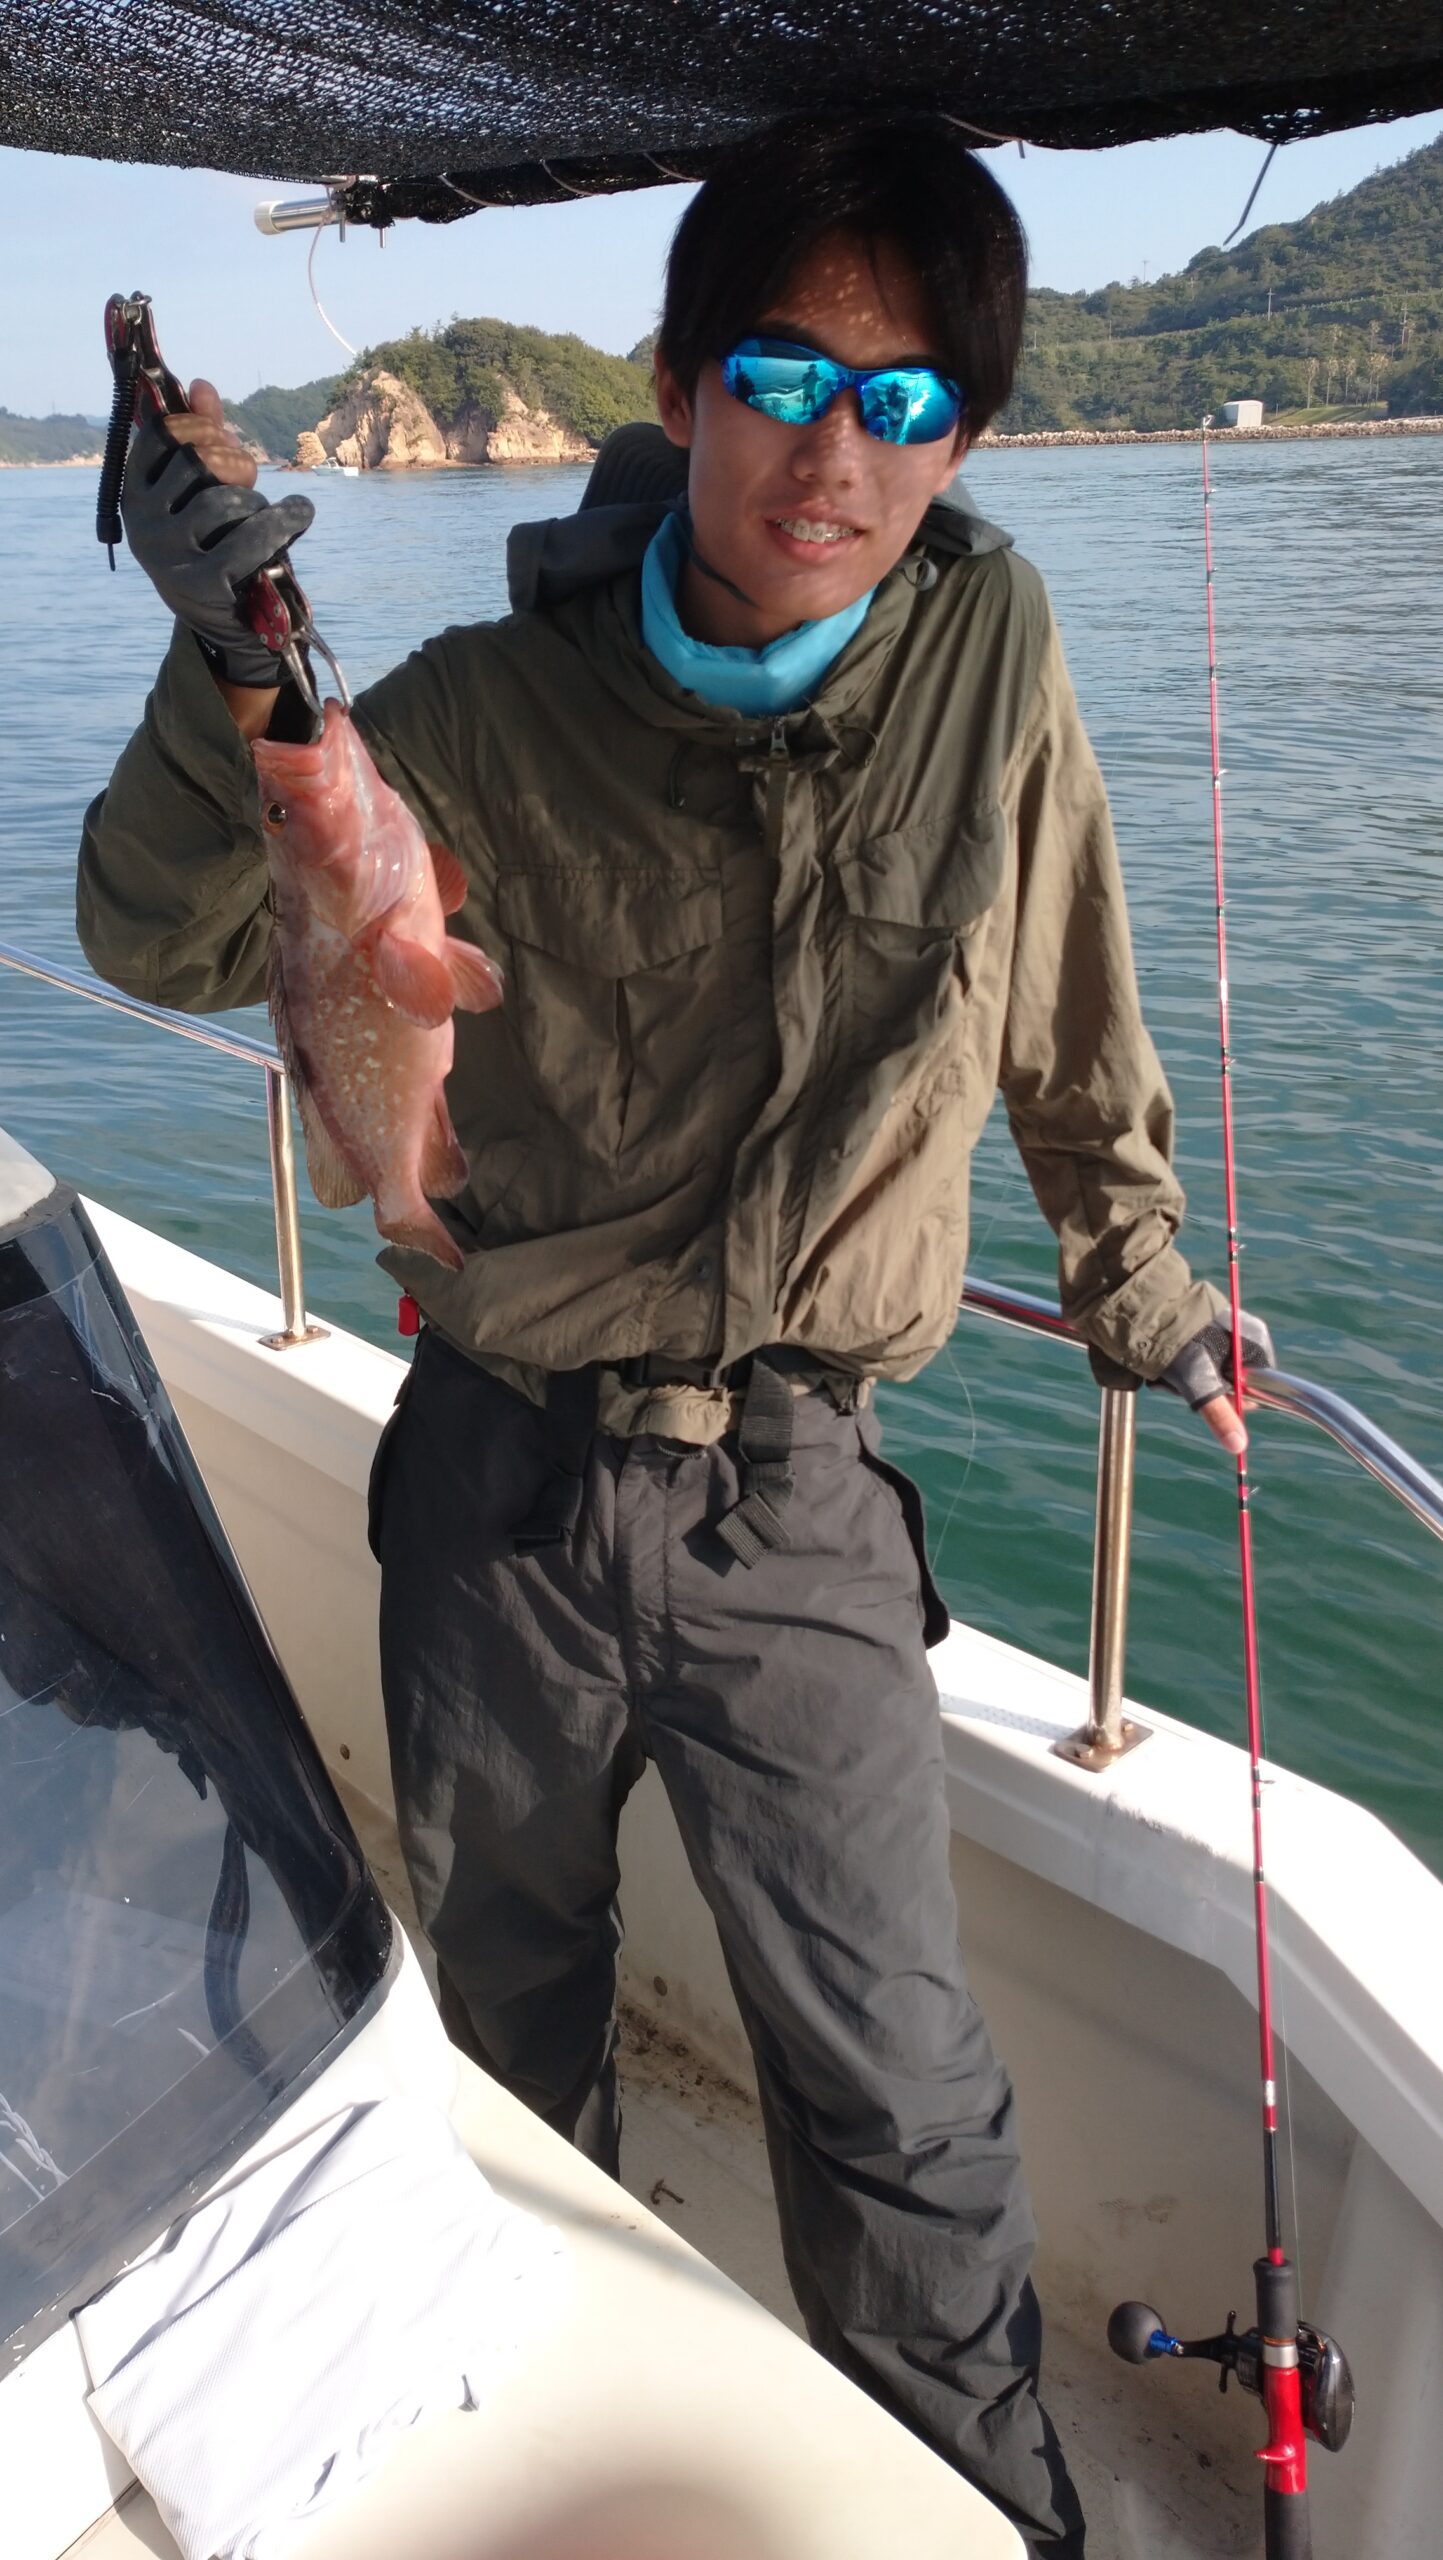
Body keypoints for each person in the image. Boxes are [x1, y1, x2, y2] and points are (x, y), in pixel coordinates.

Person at [77, 116, 1273, 2560]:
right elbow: (158, 939)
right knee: (503, 2021)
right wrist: (229, 670)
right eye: (782, 375)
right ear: (677, 381)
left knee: (896, 2089)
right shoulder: (474, 712)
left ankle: (987, 2512)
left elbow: (1066, 998)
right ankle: (542, 2473)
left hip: (794, 1505)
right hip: (495, 1475)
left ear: (963, 433)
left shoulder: (988, 653)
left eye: (904, 400)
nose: (835, 452)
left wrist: (1135, 1279)